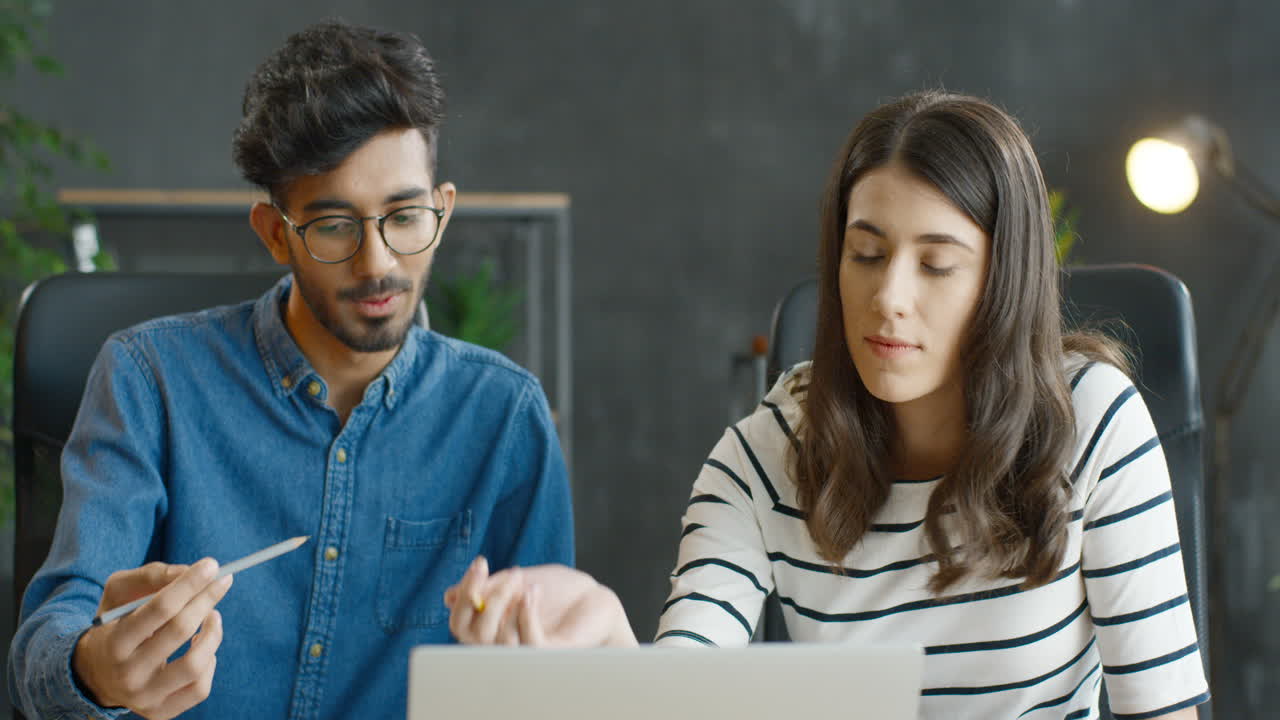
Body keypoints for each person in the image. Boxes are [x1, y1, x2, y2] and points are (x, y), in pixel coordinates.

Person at [445, 91, 1209, 719]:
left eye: (937, 265)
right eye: (866, 254)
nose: (888, 299)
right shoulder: (767, 451)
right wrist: (606, 640)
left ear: (1002, 283)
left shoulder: (1093, 420)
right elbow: (683, 685)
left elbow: (1164, 711)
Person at [8, 20, 573, 720]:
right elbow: (44, 647)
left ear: (442, 210)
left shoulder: (503, 417)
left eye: (403, 216)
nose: (378, 264)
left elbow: (557, 674)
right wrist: (96, 669)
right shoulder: (146, 379)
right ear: (276, 232)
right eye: (335, 225)